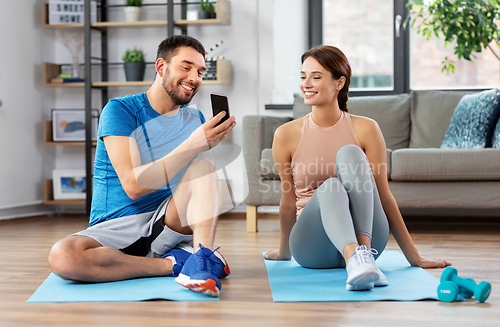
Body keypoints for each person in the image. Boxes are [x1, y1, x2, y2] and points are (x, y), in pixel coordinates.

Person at [48, 35, 235, 297]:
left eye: (200, 71)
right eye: (186, 67)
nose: (195, 77)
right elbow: (133, 185)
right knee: (63, 256)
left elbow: (193, 190)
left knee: (204, 167)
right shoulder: (121, 110)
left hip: (164, 222)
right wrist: (194, 143)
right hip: (117, 226)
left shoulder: (195, 118)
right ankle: (174, 264)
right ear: (161, 67)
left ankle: (201, 258)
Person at [263, 45, 451, 291]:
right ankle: (355, 258)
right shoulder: (285, 134)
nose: (306, 84)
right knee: (331, 186)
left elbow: (383, 196)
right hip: (314, 244)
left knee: (350, 153)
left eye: (316, 77)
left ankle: (361, 256)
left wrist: (414, 257)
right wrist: (283, 252)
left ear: (339, 82)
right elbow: (288, 201)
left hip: (370, 237)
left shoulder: (367, 128)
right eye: (303, 76)